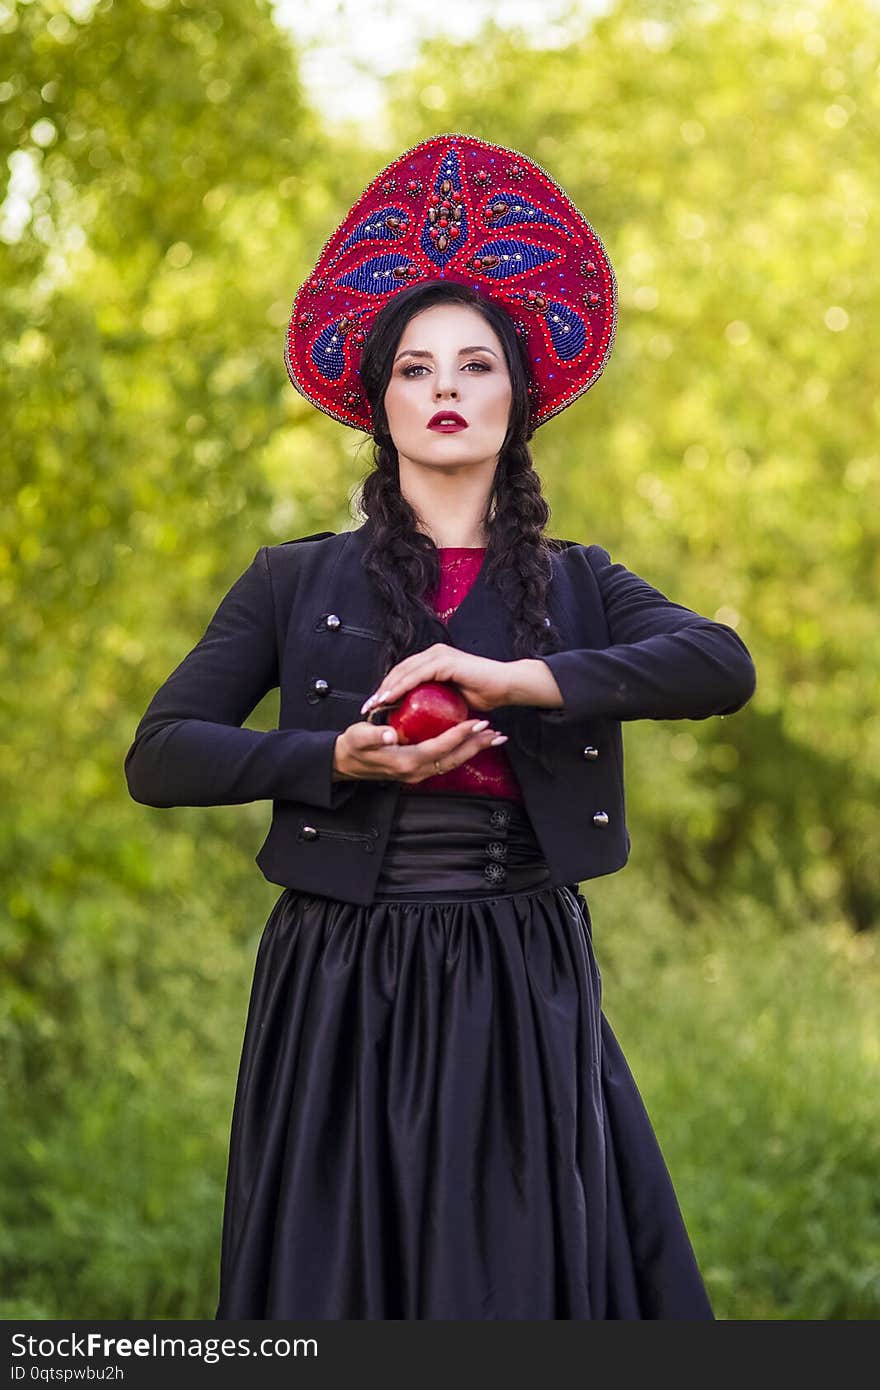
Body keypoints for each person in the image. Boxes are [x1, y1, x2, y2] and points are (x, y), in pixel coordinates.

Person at [124, 134, 756, 1320]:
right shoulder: (290, 579)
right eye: (416, 369)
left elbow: (718, 664)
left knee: (511, 1281)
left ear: (518, 398)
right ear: (381, 400)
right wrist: (331, 758)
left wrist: (517, 680)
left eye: (475, 365)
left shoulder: (577, 583)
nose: (447, 388)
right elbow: (161, 753)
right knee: (341, 1284)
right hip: (341, 969)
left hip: (521, 962)